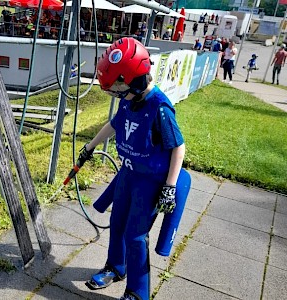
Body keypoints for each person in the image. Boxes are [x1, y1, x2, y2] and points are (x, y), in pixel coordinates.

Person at [79, 37, 191, 300]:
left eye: (120, 89)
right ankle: (115, 268)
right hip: (128, 174)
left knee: (135, 235)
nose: (118, 94)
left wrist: (169, 187)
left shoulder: (160, 108)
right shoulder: (129, 98)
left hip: (150, 183)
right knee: (116, 223)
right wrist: (91, 146)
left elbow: (179, 148)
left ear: (138, 80)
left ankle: (137, 292)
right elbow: (116, 123)